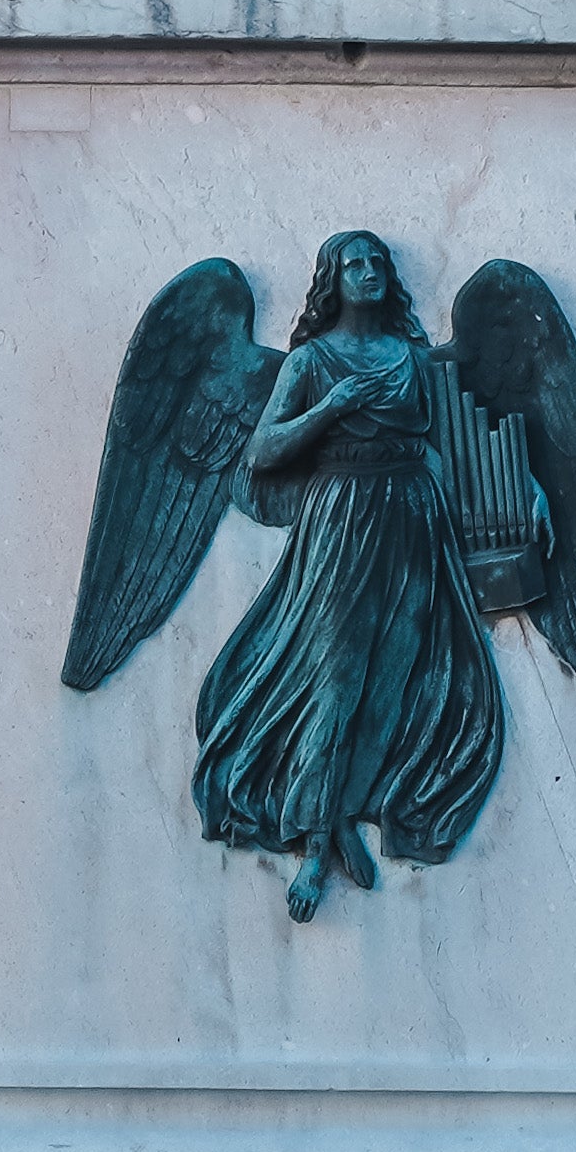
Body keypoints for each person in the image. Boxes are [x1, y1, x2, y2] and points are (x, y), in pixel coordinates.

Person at [192, 229, 504, 917]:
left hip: (412, 518)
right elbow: (264, 449)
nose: (367, 271)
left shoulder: (411, 358)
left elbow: (451, 439)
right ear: (332, 278)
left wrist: (528, 490)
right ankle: (310, 849)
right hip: (342, 518)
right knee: (335, 678)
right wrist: (332, 406)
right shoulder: (310, 360)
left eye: (376, 262)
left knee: (394, 680)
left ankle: (341, 814)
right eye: (352, 262)